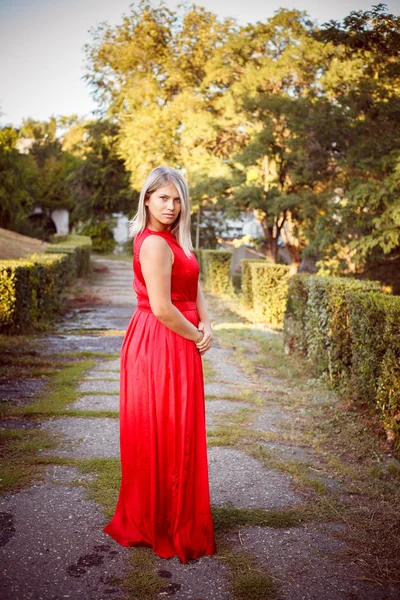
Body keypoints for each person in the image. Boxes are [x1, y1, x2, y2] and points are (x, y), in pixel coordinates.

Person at [103, 165, 217, 563]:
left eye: (176, 198)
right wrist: (196, 335)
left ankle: (177, 514)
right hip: (160, 340)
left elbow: (195, 284)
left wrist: (206, 321)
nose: (170, 205)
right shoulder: (153, 244)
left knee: (180, 429)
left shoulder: (177, 241)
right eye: (162, 197)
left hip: (181, 336)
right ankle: (159, 520)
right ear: (147, 199)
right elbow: (163, 308)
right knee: (163, 429)